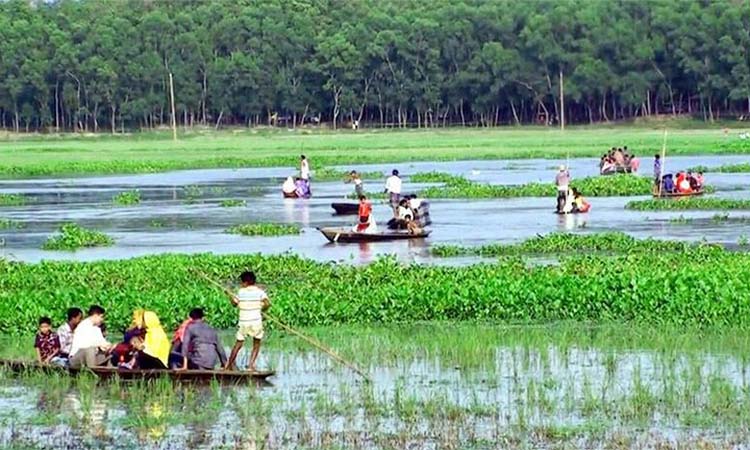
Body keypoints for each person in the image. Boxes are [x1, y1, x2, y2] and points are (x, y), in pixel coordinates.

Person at [225, 271, 270, 372]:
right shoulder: (260, 292)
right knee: (256, 343)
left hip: (244, 322)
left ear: (245, 282)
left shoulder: (241, 292)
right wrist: (262, 309)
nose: (241, 284)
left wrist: (229, 295)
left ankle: (228, 365)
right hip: (256, 321)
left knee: (238, 343)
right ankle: (250, 366)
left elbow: (234, 304)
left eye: (242, 282)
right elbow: (267, 303)